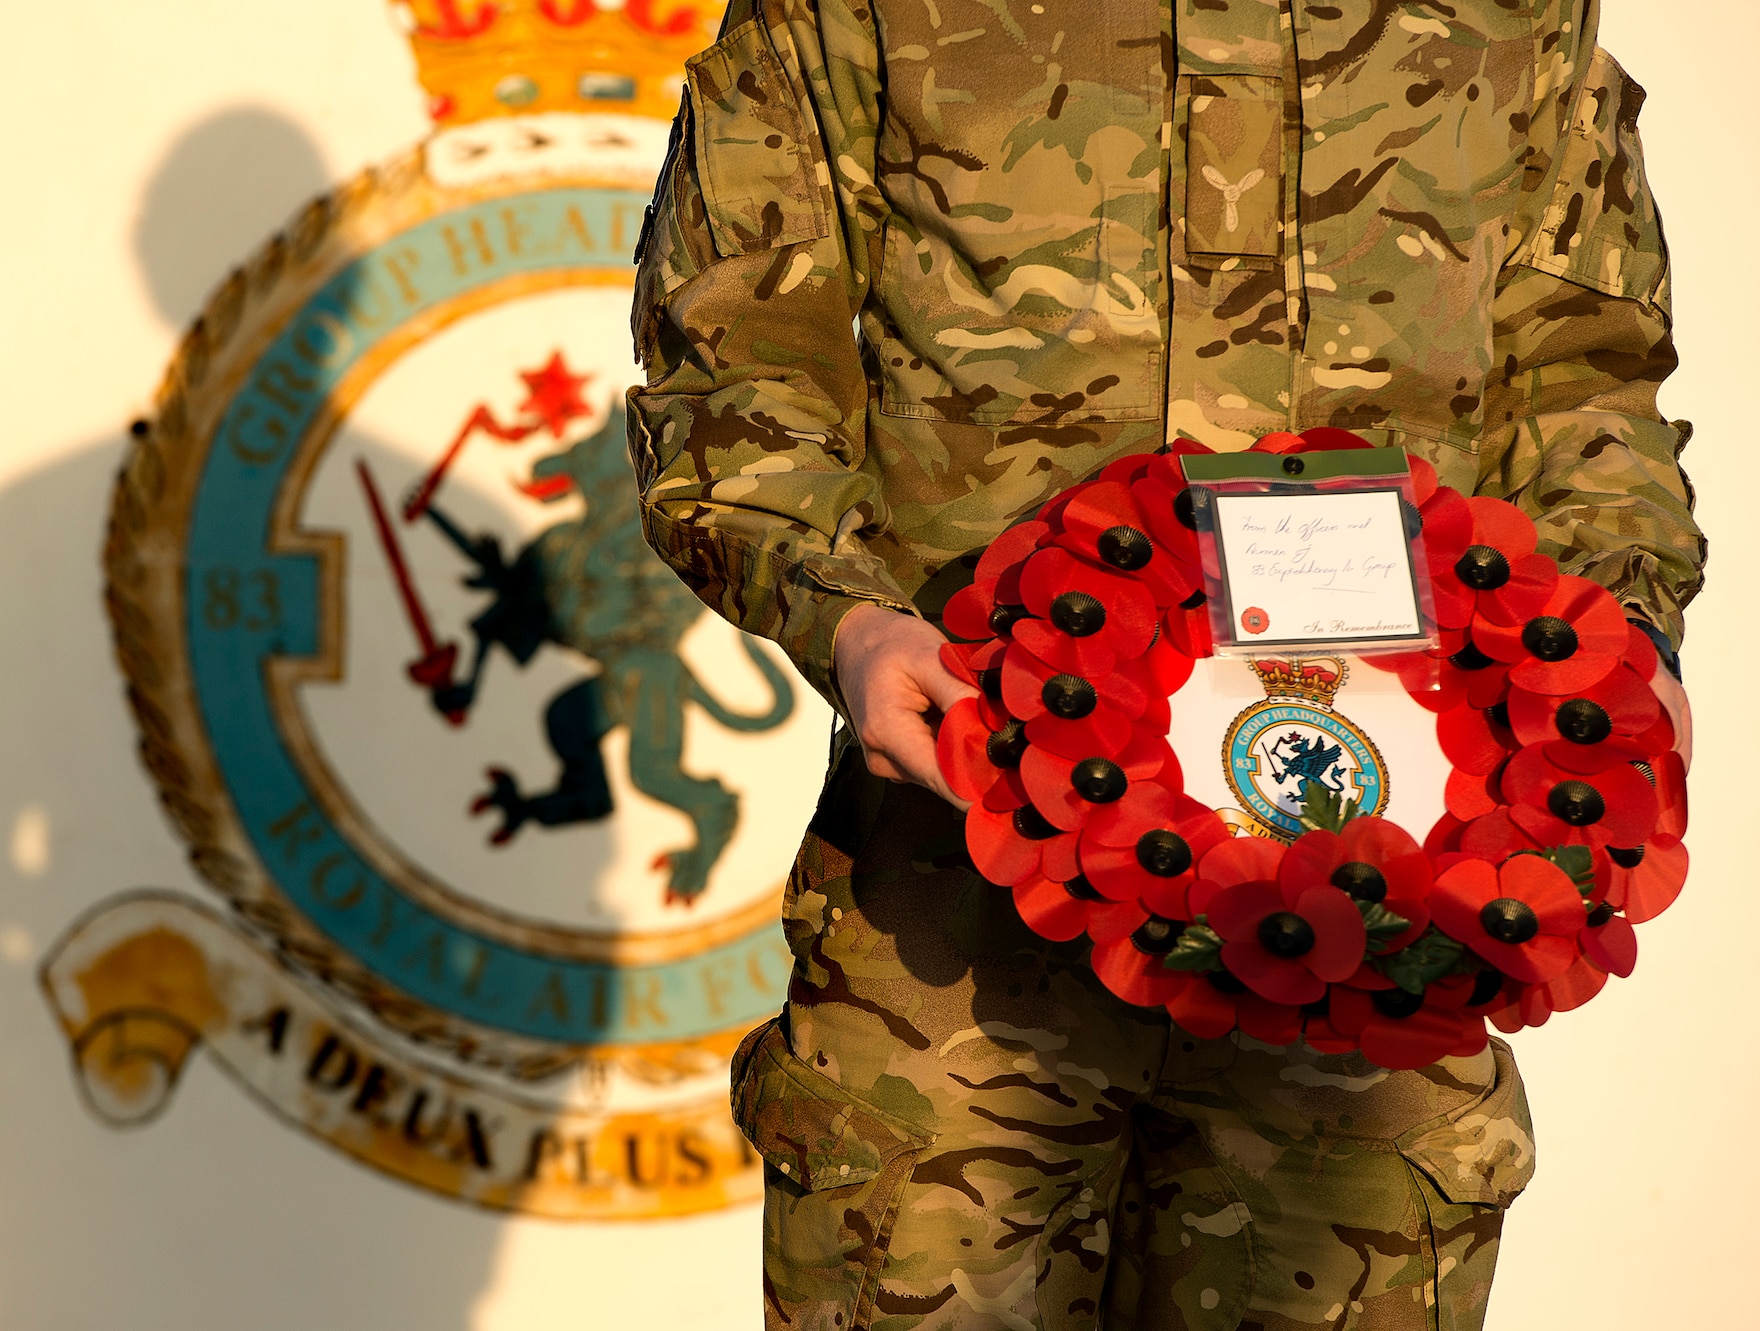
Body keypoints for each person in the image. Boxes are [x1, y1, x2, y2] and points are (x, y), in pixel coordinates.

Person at [626, 0, 1701, 1325]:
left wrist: (1622, 642)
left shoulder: (1513, 17)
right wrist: (846, 620)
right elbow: (734, 367)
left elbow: (1585, 381)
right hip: (962, 904)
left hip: (1380, 931)